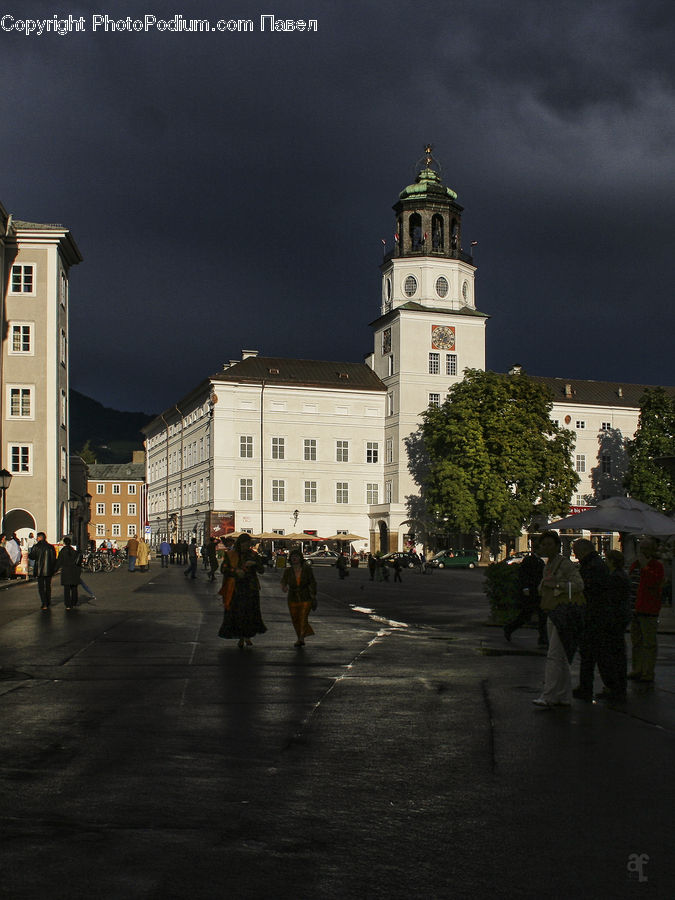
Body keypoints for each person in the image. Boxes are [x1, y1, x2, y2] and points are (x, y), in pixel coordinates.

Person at [532, 531, 585, 709]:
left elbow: (579, 585)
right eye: (543, 544)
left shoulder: (565, 564)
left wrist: (557, 585)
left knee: (554, 655)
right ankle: (563, 696)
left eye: (549, 544)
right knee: (560, 657)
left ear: (557, 545)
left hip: (563, 612)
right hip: (553, 610)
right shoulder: (549, 564)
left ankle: (548, 695)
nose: (546, 547)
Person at [572, 539, 614, 702]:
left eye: (575, 551)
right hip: (596, 616)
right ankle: (588, 686)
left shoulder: (592, 567)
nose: (575, 555)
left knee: (596, 654)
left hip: (594, 616)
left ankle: (605, 686)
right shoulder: (596, 564)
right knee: (594, 655)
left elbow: (588, 589)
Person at [218, 533, 266, 647]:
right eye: (244, 543)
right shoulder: (231, 555)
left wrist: (254, 563)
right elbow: (223, 569)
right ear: (240, 543)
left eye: (248, 543)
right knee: (238, 613)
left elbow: (261, 570)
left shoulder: (253, 555)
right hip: (236, 588)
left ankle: (247, 635)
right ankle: (241, 636)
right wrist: (235, 571)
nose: (246, 546)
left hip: (250, 588)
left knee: (249, 613)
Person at [628, 540, 665, 684]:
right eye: (641, 548)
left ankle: (648, 671)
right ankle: (637, 668)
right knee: (636, 641)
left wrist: (645, 567)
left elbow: (654, 583)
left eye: (646, 548)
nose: (643, 551)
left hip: (648, 609)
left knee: (649, 643)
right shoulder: (635, 564)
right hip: (635, 607)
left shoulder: (656, 566)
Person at [600, 549, 631, 701]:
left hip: (614, 619)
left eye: (607, 559)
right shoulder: (620, 576)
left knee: (614, 653)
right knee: (617, 652)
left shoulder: (615, 578)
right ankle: (618, 686)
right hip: (619, 618)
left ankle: (616, 687)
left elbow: (612, 599)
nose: (605, 561)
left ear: (612, 561)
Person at [504, 550, 547, 645]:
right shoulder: (531, 561)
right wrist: (525, 588)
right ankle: (509, 628)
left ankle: (543, 638)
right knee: (528, 615)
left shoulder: (539, 561)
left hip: (536, 591)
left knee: (541, 615)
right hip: (531, 592)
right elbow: (524, 575)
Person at [281, 547, 317, 647]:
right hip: (292, 597)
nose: (294, 558)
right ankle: (299, 636)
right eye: (292, 557)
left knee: (303, 617)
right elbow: (283, 580)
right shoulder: (288, 571)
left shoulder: (307, 570)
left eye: (296, 556)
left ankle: (301, 638)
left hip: (305, 596)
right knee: (295, 618)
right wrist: (284, 586)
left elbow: (312, 582)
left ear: (301, 558)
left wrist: (313, 594)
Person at [28, 531, 57, 609]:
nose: (37, 539)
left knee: (41, 587)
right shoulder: (50, 547)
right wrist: (54, 568)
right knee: (48, 586)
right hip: (48, 570)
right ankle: (48, 602)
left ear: (40, 538)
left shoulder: (36, 547)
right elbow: (53, 558)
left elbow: (32, 556)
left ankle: (44, 603)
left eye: (37, 537)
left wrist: (29, 554)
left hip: (39, 569)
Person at [54, 536, 82, 610]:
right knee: (74, 588)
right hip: (75, 571)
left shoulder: (62, 552)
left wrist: (55, 570)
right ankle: (74, 602)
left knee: (67, 589)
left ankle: (68, 604)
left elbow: (59, 562)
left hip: (66, 571)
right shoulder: (75, 552)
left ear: (64, 543)